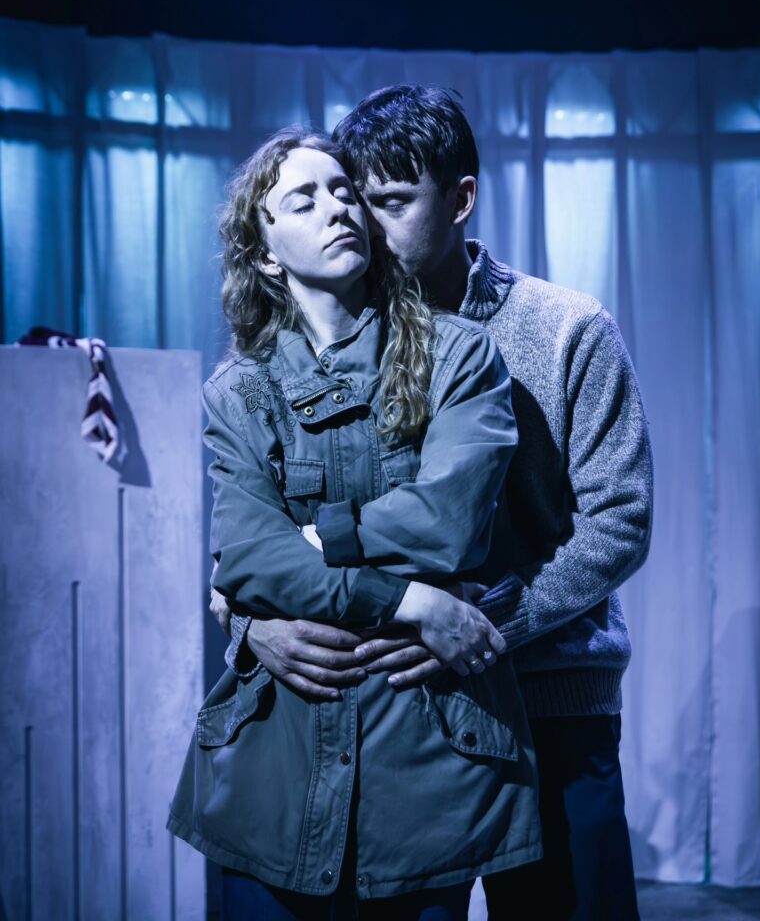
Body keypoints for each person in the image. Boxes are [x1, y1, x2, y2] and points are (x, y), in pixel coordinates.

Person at [217, 86, 653, 920]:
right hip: (399, 709)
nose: (362, 223)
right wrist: (250, 624)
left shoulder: (566, 326)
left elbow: (619, 521)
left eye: (390, 202)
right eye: (353, 198)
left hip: (549, 698)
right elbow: (260, 529)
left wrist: (485, 628)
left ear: (461, 200)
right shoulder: (329, 336)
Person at [168, 127, 543, 920]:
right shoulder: (239, 391)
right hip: (274, 773)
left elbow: (450, 522)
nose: (338, 208)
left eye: (344, 193)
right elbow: (249, 561)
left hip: (427, 763)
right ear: (265, 254)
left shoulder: (458, 356)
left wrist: (318, 541)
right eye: (303, 200)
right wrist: (412, 600)